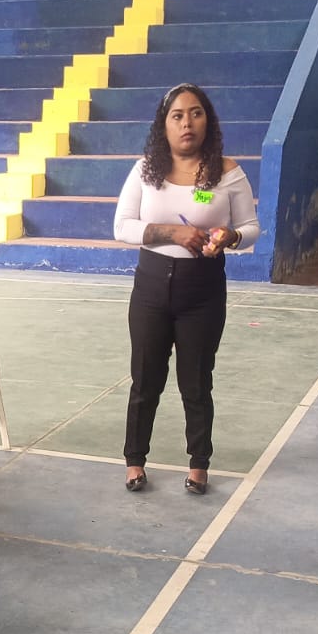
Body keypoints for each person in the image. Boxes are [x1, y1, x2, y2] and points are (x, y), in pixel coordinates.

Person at [113, 83, 258, 495]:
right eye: (177, 116)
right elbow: (122, 227)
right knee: (145, 380)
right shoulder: (145, 170)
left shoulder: (228, 172)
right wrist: (172, 232)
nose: (187, 123)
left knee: (196, 382)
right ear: (164, 125)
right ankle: (134, 461)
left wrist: (230, 237)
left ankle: (199, 464)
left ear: (207, 121)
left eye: (195, 113)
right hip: (151, 288)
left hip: (203, 290)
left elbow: (250, 228)